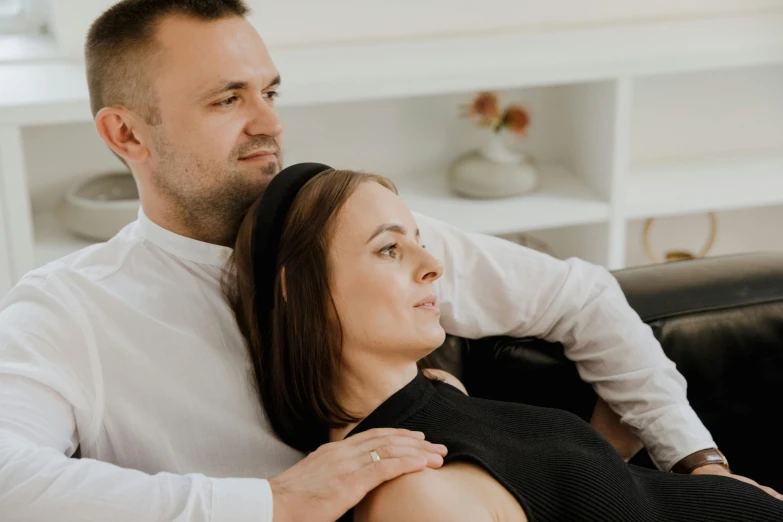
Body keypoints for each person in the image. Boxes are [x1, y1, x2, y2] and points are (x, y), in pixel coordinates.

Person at [0, 1, 774, 521]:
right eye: (226, 99)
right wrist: (272, 504)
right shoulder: (70, 313)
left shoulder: (357, 237)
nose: (269, 123)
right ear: (125, 135)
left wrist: (693, 460)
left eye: (269, 91)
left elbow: (582, 297)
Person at [224, 162, 783, 522]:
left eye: (417, 241)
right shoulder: (417, 498)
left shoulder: (436, 394)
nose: (433, 264)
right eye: (389, 249)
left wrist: (612, 453)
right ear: (299, 288)